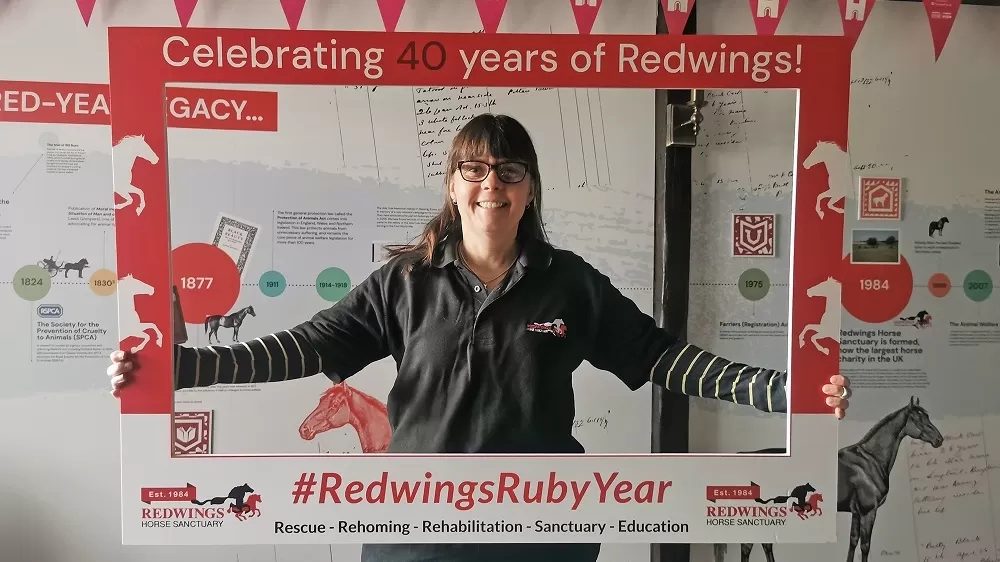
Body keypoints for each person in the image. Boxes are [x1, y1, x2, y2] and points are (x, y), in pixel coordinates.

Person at [108, 113, 851, 562]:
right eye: (475, 167)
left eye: (510, 170)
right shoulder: (403, 282)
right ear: (452, 183)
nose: (491, 182)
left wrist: (785, 390)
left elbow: (660, 356)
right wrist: (185, 368)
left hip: (543, 534)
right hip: (414, 536)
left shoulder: (570, 283)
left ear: (530, 190)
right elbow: (301, 347)